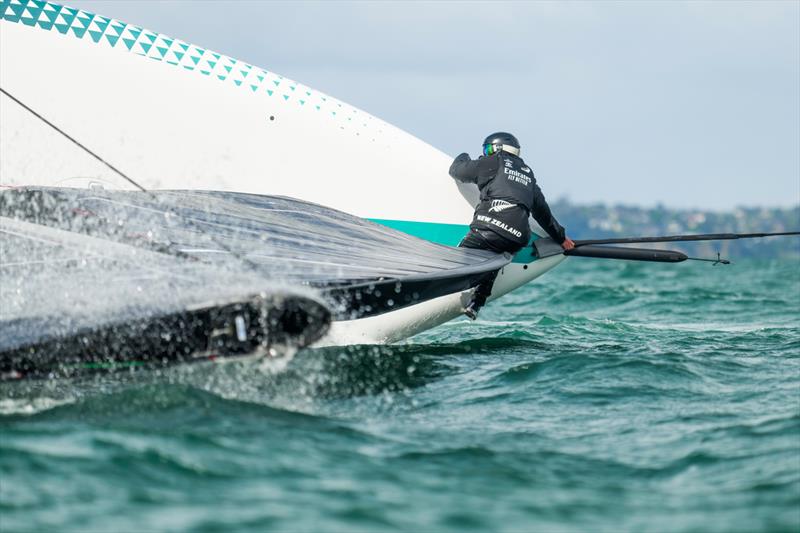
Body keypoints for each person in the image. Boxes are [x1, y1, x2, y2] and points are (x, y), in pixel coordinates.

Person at [449, 132, 575, 319]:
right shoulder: (527, 174)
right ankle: (477, 302)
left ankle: (440, 284)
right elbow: (543, 213)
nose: (485, 153)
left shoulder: (492, 162)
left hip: (488, 227)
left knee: (458, 258)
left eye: (487, 149)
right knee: (495, 259)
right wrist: (561, 238)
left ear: (497, 149)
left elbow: (457, 170)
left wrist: (463, 156)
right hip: (517, 237)